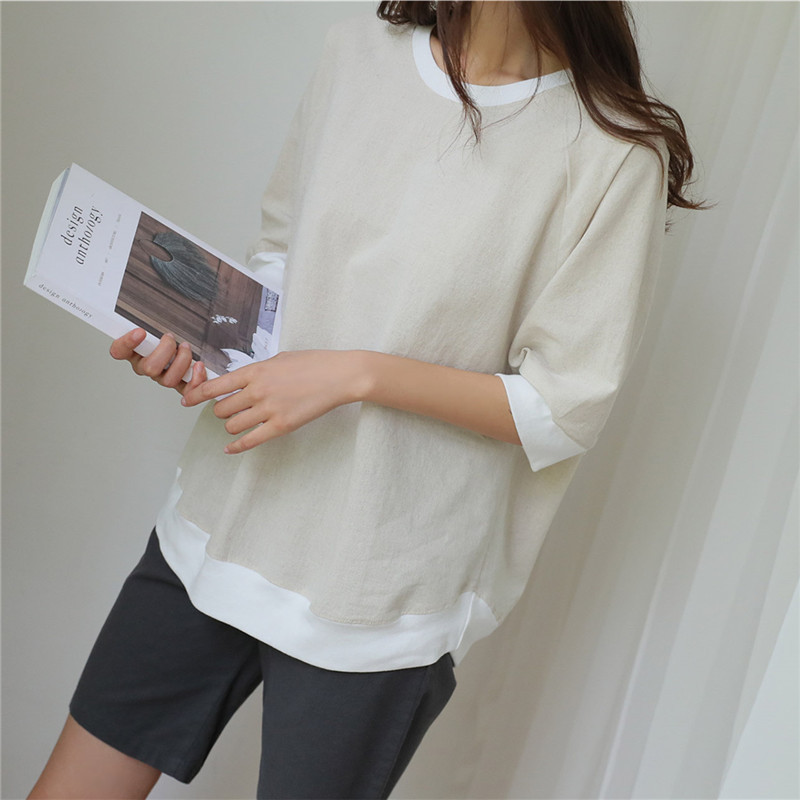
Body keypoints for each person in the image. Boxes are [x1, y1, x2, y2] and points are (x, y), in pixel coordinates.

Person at [28, 2, 705, 798]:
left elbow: (562, 407)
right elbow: (284, 252)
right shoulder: (357, 53)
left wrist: (357, 375)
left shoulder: (611, 152)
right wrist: (204, 350)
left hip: (380, 591)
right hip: (220, 518)